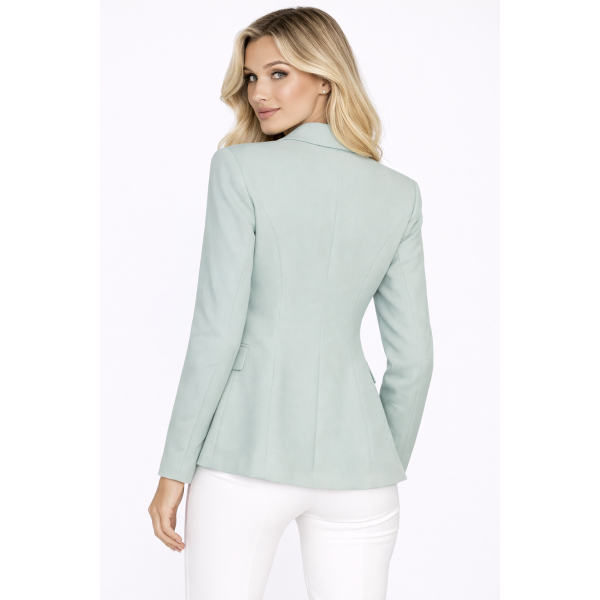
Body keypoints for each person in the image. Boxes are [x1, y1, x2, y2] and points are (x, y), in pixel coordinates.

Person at [148, 7, 434, 599]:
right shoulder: (399, 194)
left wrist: (175, 467)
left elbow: (217, 332)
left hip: (244, 457)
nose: (259, 93)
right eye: (252, 77)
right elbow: (414, 360)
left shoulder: (239, 168)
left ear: (325, 78)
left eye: (278, 73)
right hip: (362, 475)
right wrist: (377, 459)